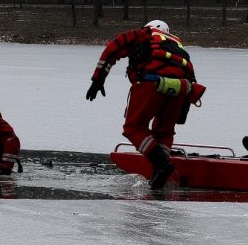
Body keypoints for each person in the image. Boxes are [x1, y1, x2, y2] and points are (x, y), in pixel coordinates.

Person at [85, 19, 206, 189]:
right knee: (164, 132)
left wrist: (98, 79)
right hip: (181, 88)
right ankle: (160, 171)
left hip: (150, 82)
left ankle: (160, 164)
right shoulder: (178, 45)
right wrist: (181, 110)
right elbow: (191, 79)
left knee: (133, 128)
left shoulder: (144, 34)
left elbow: (114, 47)